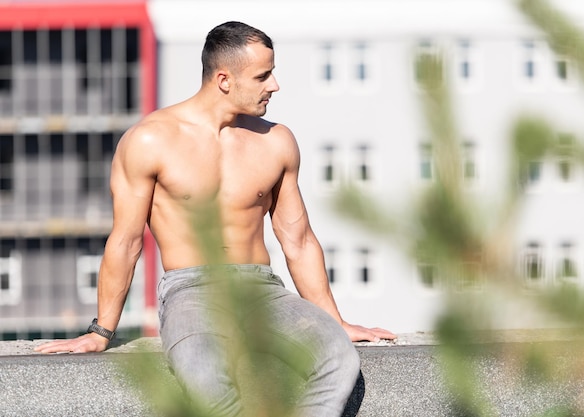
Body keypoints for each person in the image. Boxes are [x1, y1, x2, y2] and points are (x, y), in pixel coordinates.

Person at [36, 21, 396, 416]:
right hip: (191, 290)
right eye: (263, 76)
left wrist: (334, 321)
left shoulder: (276, 141)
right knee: (205, 375)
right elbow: (126, 241)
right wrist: (101, 331)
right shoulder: (150, 140)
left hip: (262, 289)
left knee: (337, 358)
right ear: (224, 79)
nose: (274, 85)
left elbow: (299, 240)